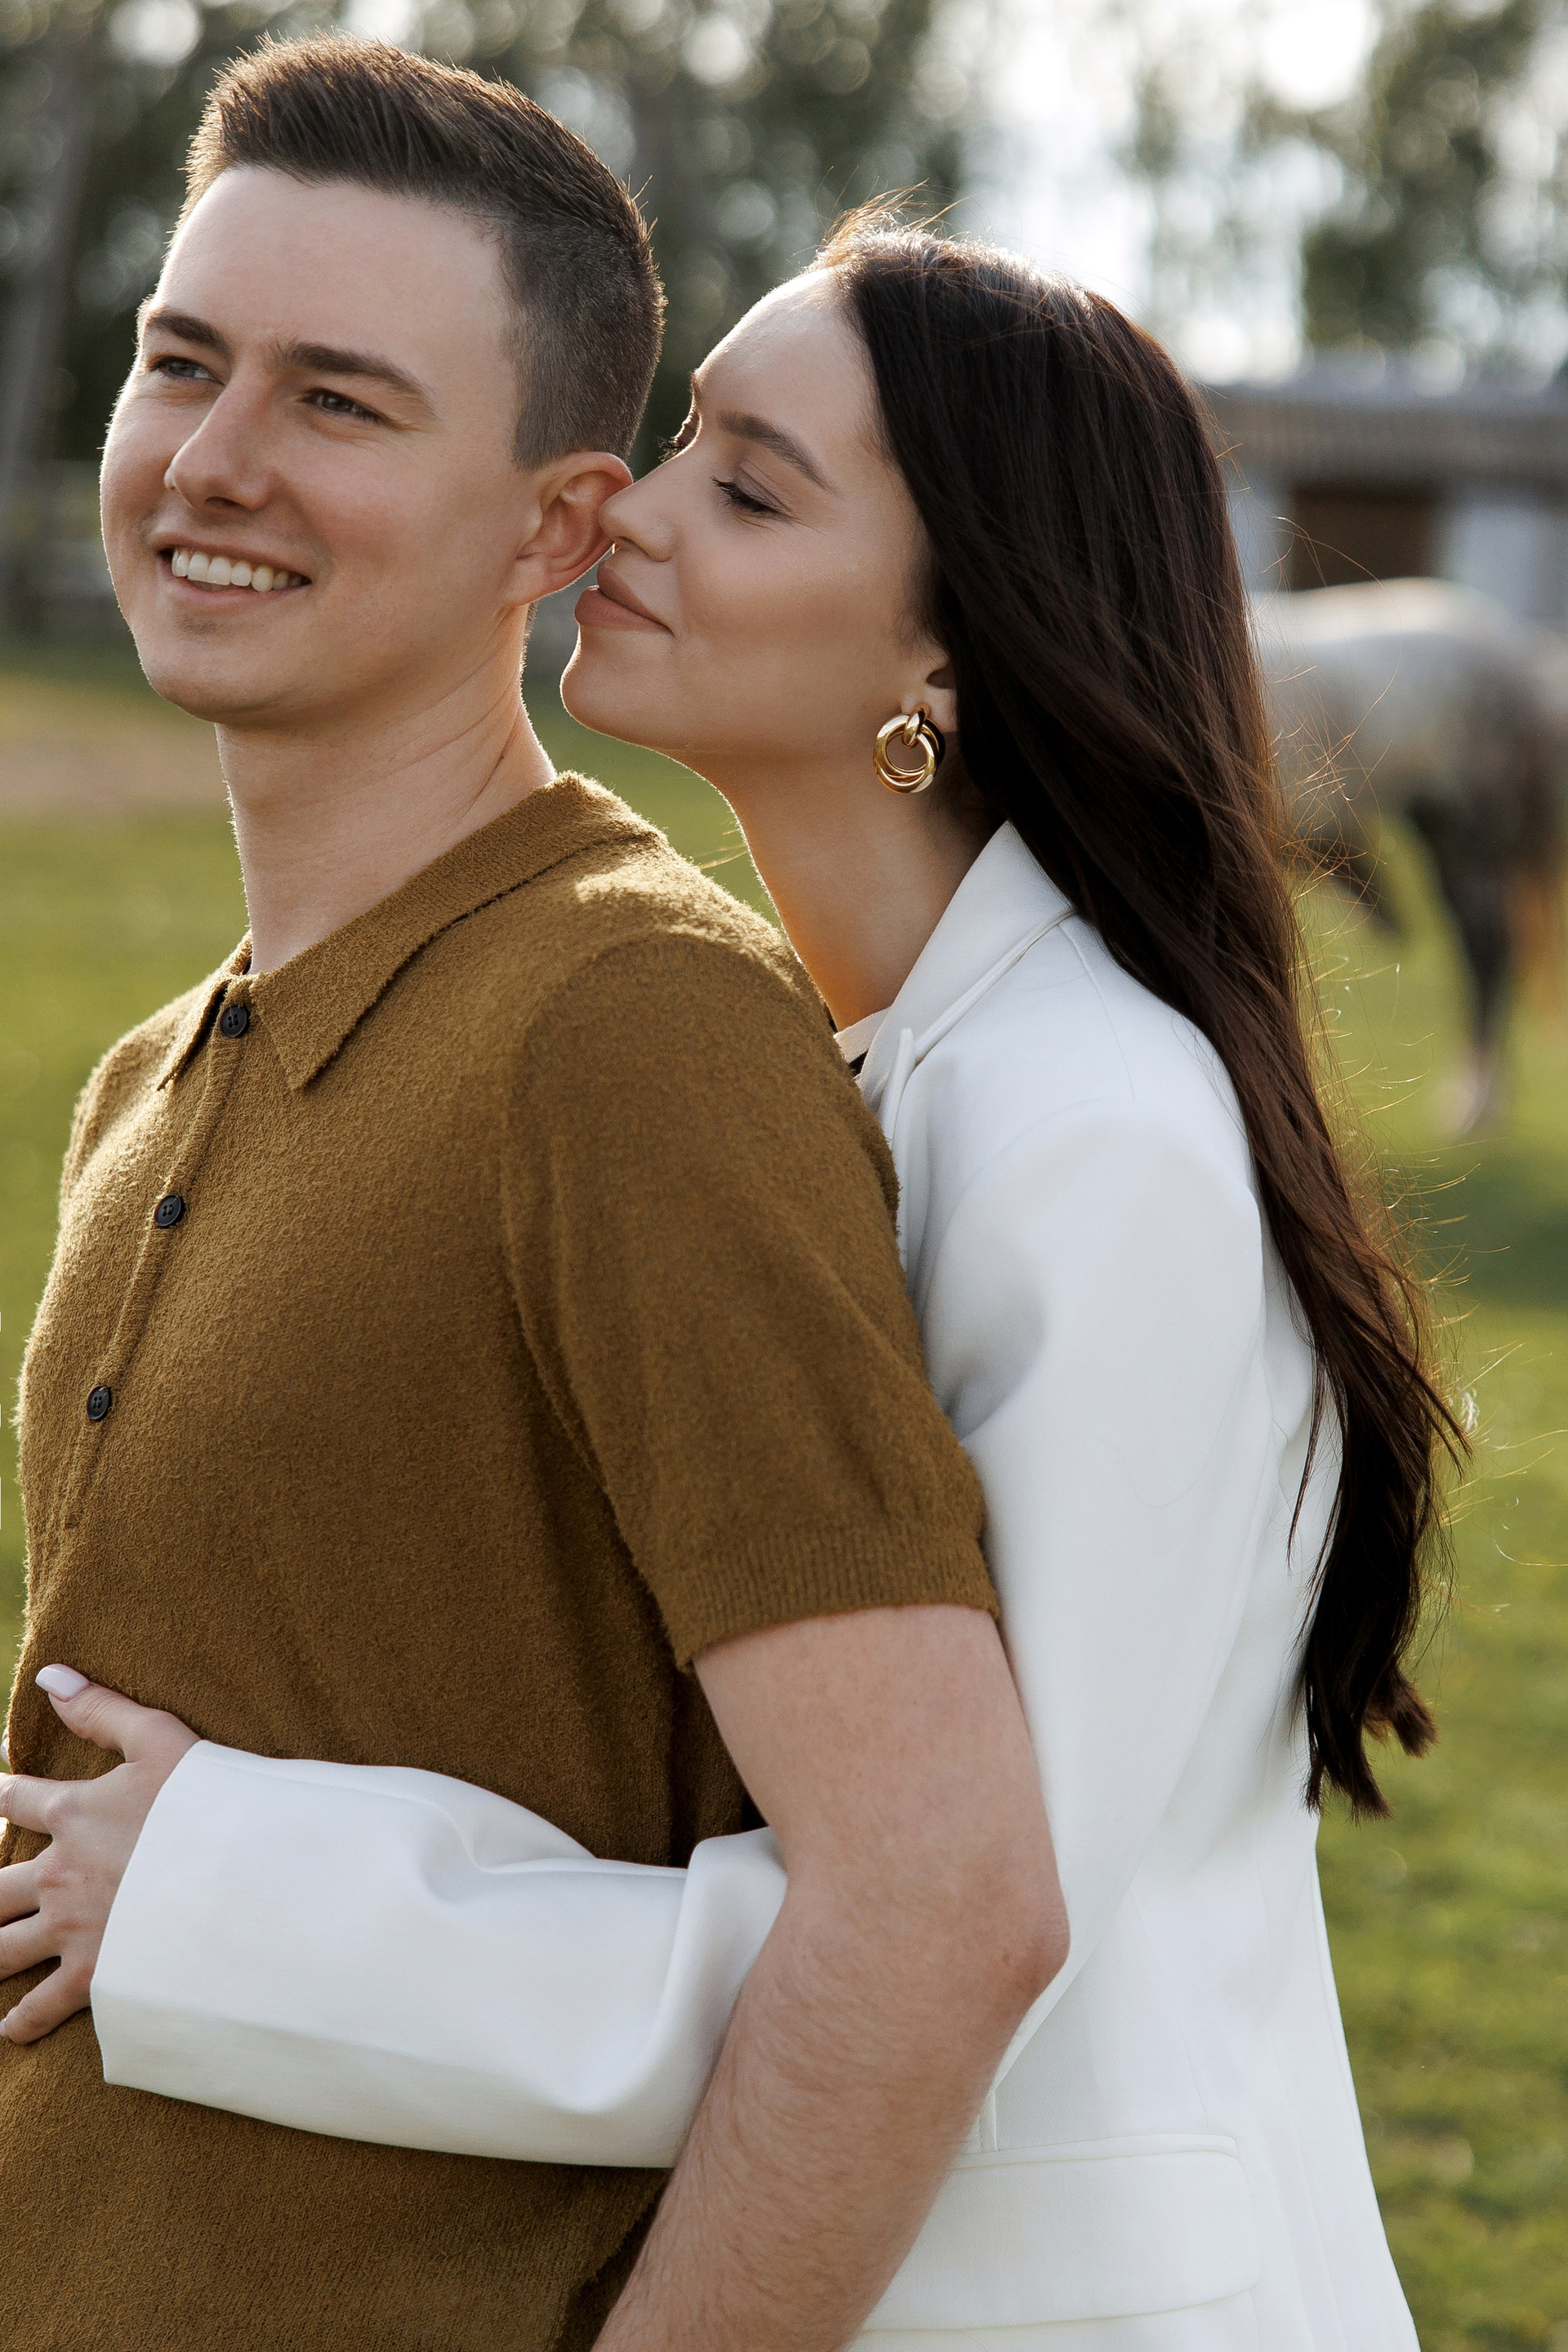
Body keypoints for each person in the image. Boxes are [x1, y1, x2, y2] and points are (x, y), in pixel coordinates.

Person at [9, 194, 1458, 2345]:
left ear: (947, 657)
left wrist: (221, 1893)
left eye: (751, 491)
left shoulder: (1093, 1130)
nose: (631, 512)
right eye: (685, 439)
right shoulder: (869, 1057)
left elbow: (959, 1929)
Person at [0, 42, 1068, 2352]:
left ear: (557, 527)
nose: (214, 457)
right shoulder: (142, 1084)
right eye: (181, 359)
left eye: (339, 401)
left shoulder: (632, 1032)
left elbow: (939, 1906)